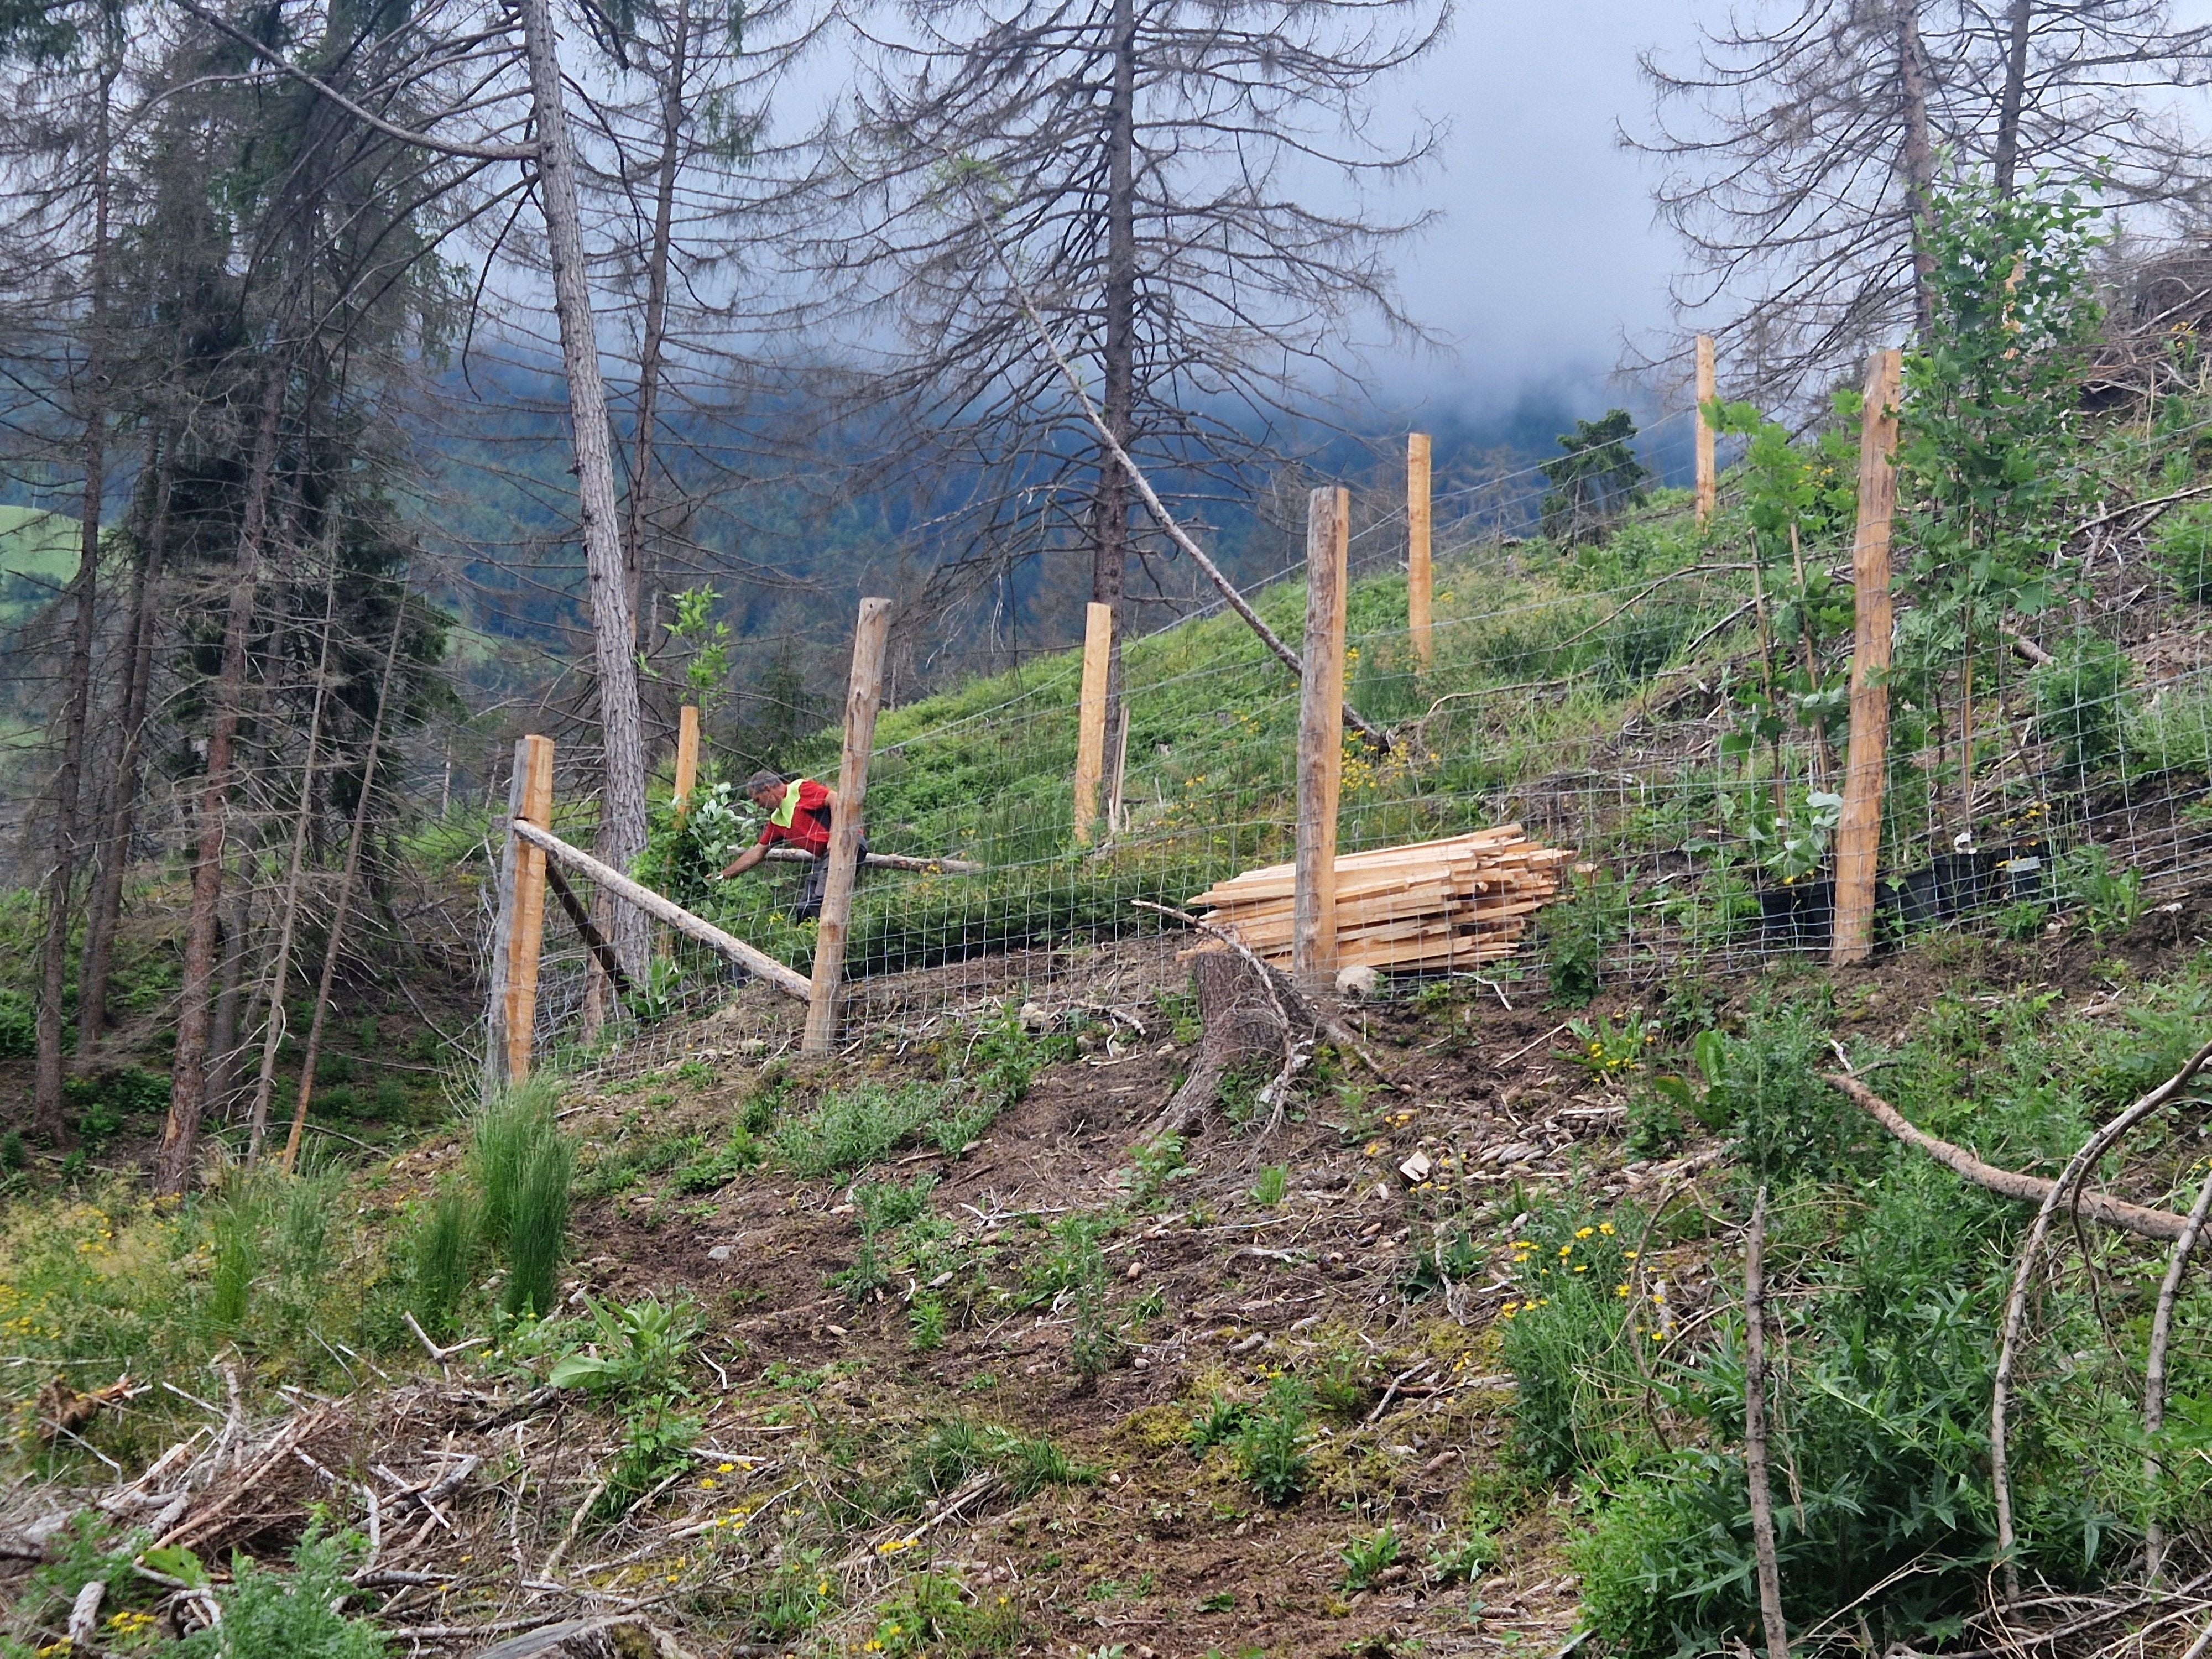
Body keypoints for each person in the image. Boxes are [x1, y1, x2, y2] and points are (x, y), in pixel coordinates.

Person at [717, 770, 860, 921]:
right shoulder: (778, 820)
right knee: (804, 911)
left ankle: (829, 941)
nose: (759, 806)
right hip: (826, 858)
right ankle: (810, 939)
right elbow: (757, 852)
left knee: (819, 903)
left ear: (767, 789)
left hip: (846, 846)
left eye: (758, 800)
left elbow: (834, 797)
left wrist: (836, 836)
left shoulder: (798, 789)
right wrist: (724, 875)